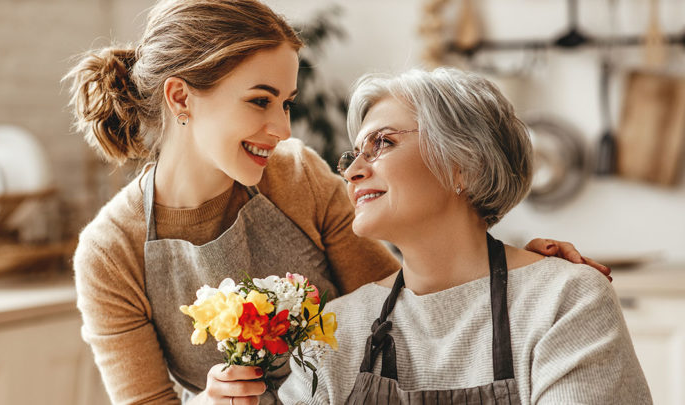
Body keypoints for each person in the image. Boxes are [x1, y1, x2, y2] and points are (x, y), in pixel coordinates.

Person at [64, 1, 609, 404]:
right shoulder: (110, 253)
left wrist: (521, 273)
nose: (281, 127)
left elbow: (409, 303)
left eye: (286, 102)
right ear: (181, 97)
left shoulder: (296, 177)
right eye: (260, 101)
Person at [278, 67, 651, 404]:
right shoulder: (335, 329)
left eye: (383, 143)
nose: (353, 171)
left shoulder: (564, 301)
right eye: (354, 155)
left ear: (464, 166)